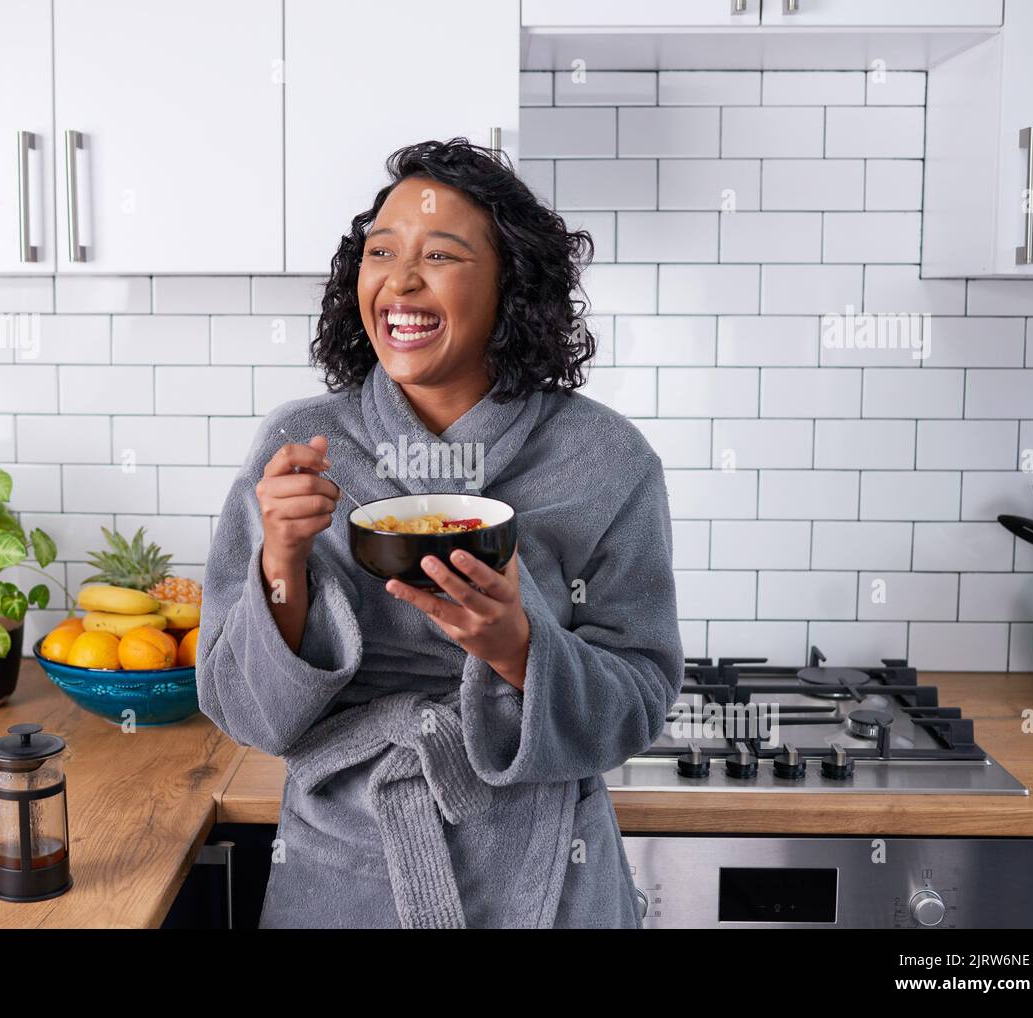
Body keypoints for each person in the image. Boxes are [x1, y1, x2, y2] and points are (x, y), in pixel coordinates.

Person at [195, 137, 684, 928]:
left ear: (511, 288)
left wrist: (517, 651)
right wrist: (280, 562)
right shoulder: (305, 444)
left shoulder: (605, 460)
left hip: (547, 869)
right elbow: (245, 714)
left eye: (442, 255)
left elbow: (638, 702)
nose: (400, 281)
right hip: (343, 867)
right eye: (380, 252)